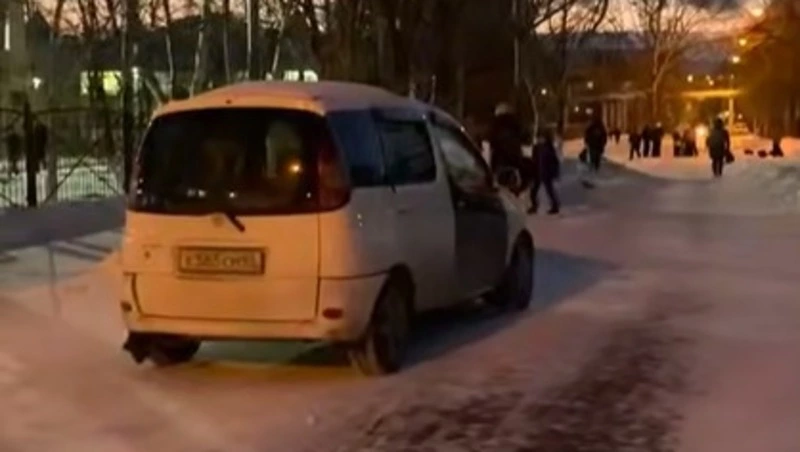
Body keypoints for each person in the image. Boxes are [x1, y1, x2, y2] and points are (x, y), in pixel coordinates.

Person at [487, 103, 531, 192]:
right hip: (514, 160)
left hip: (500, 161)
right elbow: (524, 138)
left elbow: (492, 141)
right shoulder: (515, 125)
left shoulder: (496, 126)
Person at [529, 128, 560, 215]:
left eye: (541, 137)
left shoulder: (548, 147)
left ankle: (555, 206)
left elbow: (554, 161)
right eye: (539, 137)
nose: (540, 139)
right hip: (537, 171)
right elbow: (534, 160)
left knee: (549, 190)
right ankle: (534, 206)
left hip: (546, 172)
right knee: (533, 191)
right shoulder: (536, 147)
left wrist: (554, 172)